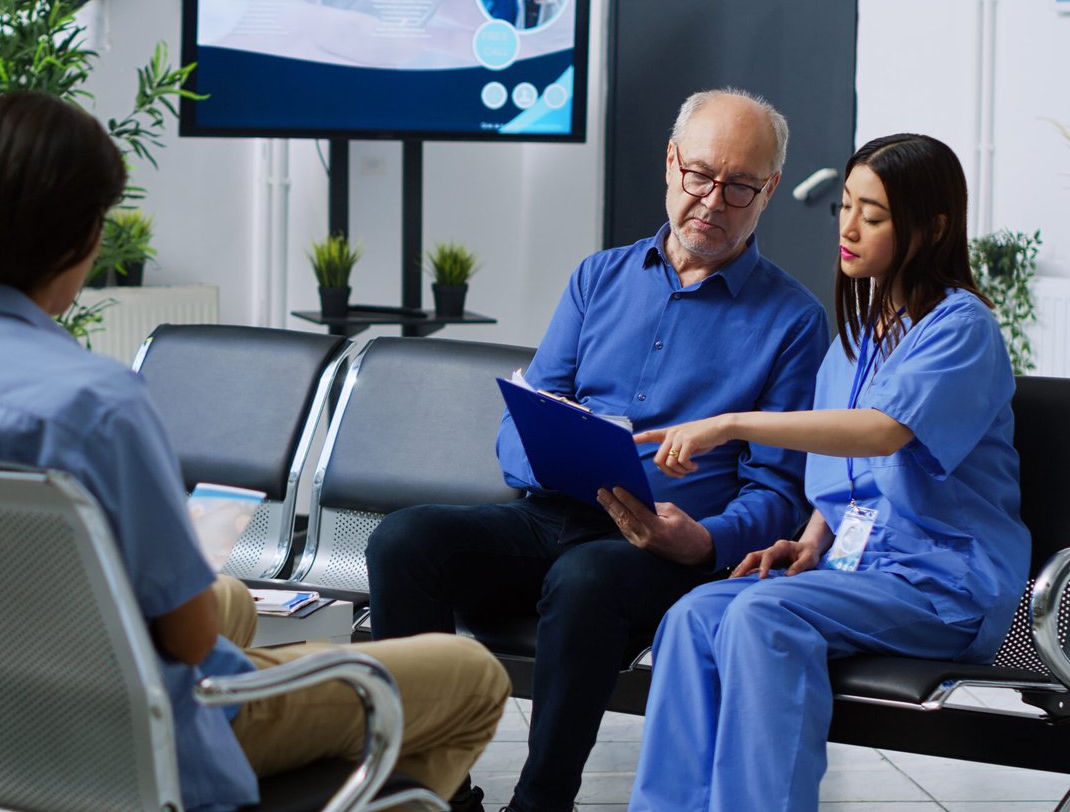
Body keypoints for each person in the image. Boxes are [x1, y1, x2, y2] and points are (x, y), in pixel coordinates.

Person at [0, 91, 512, 812]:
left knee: (234, 601)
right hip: (132, 736)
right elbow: (186, 640)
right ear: (73, 239)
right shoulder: (95, 404)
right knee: (470, 676)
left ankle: (289, 669)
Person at [364, 88, 830, 812]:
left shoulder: (794, 321)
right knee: (404, 540)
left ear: (769, 191)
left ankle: (541, 802)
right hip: (550, 515)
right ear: (671, 164)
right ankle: (431, 790)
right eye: (700, 175)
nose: (713, 200)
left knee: (585, 579)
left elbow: (778, 493)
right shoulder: (598, 278)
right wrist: (550, 451)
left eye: (739, 186)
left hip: (660, 554)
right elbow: (520, 424)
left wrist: (699, 540)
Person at [626, 133, 1028, 811]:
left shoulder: (963, 328)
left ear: (931, 228)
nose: (848, 227)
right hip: (857, 574)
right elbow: (849, 472)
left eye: (872, 215)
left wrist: (732, 422)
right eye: (844, 206)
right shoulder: (857, 337)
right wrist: (812, 542)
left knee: (761, 619)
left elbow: (881, 434)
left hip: (940, 584)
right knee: (694, 616)